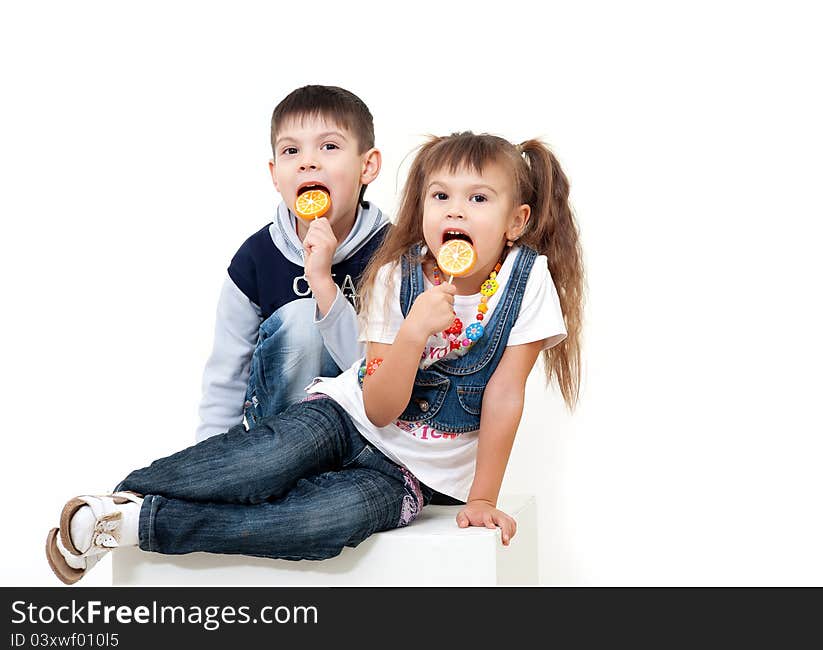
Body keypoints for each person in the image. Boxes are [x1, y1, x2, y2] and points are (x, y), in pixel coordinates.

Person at [45, 131, 584, 585]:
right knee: (260, 464)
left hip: (406, 478)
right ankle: (121, 493)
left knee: (323, 525)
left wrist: (483, 498)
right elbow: (377, 408)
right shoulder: (396, 275)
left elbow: (504, 392)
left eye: (479, 199)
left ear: (516, 222)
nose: (456, 210)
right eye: (440, 197)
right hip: (345, 418)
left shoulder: (527, 280)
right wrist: (413, 333)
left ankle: (133, 525)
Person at [196, 85, 388, 440]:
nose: (307, 161)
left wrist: (323, 284)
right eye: (290, 150)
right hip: (277, 431)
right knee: (300, 319)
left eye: (329, 147)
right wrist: (211, 457)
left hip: (361, 432)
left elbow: (381, 372)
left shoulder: (393, 255)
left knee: (314, 317)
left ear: (368, 165)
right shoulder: (256, 259)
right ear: (274, 174)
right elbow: (227, 374)